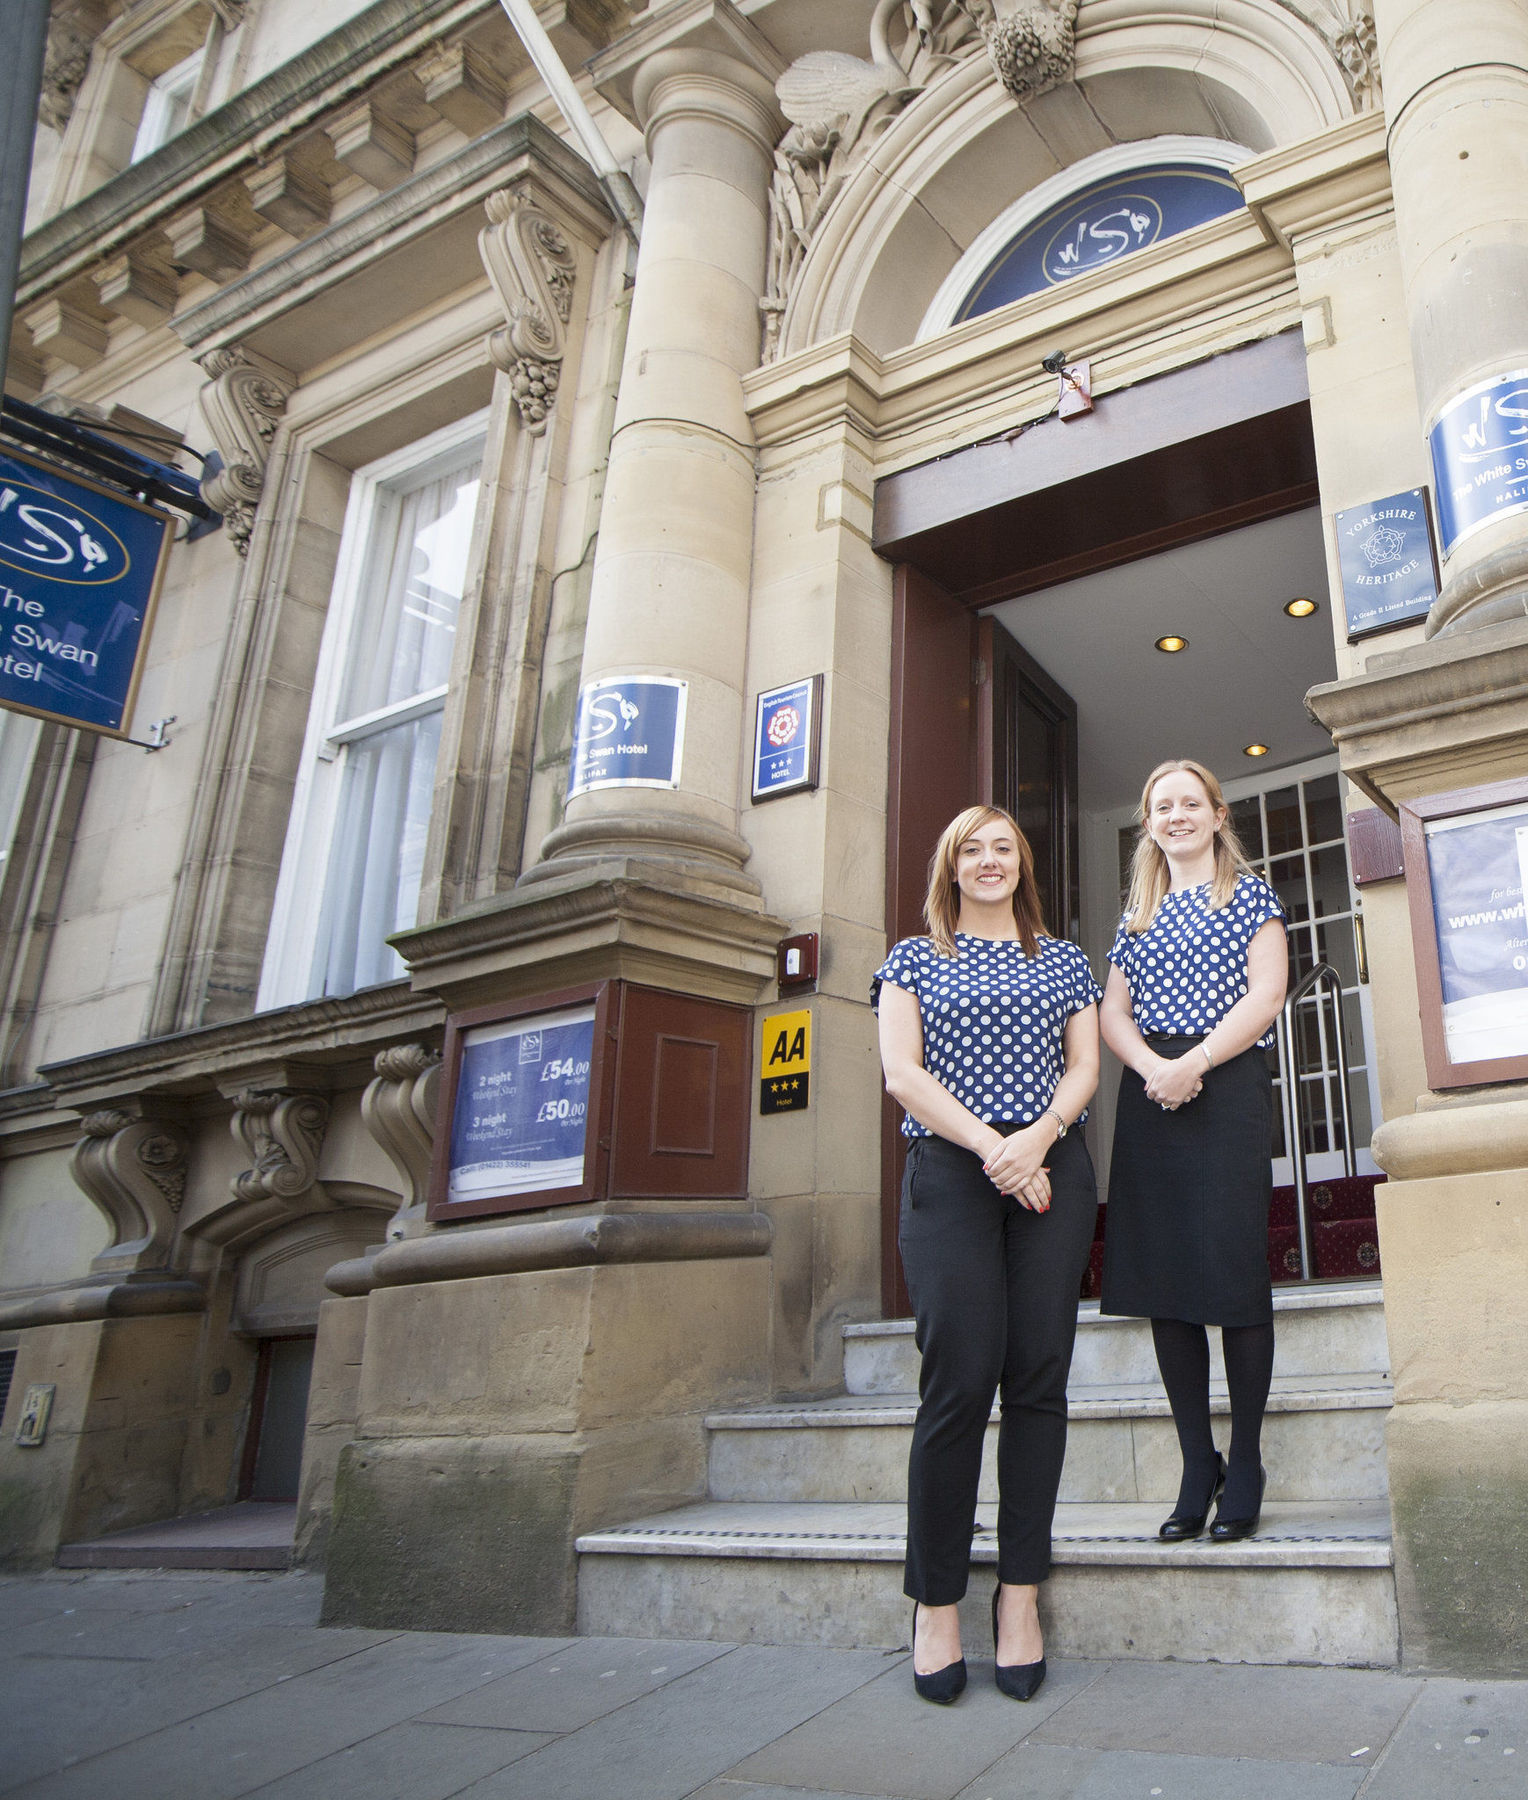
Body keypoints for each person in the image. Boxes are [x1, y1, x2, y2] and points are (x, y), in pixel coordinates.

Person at [874, 805, 1101, 1705]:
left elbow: (1084, 1069)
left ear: (1023, 864)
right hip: (953, 1171)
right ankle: (935, 1603)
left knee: (1038, 1378)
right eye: (971, 847)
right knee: (959, 1377)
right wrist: (993, 1151)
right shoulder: (913, 958)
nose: (990, 860)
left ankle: (1019, 1596)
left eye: (1004, 847)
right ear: (951, 866)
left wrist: (1035, 1141)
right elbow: (904, 1073)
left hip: (1050, 1169)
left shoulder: (1065, 958)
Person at [1100, 758, 1288, 1545]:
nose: (1175, 815)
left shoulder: (1251, 895)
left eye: (1189, 803)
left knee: (1236, 1275)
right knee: (1166, 1284)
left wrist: (1194, 1064)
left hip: (1226, 1083)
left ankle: (1244, 1460)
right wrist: (1152, 1068)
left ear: (1217, 815)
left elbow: (1266, 994)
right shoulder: (1135, 913)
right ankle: (1194, 1461)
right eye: (1160, 806)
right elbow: (1113, 1012)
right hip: (1153, 1097)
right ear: (1149, 823)